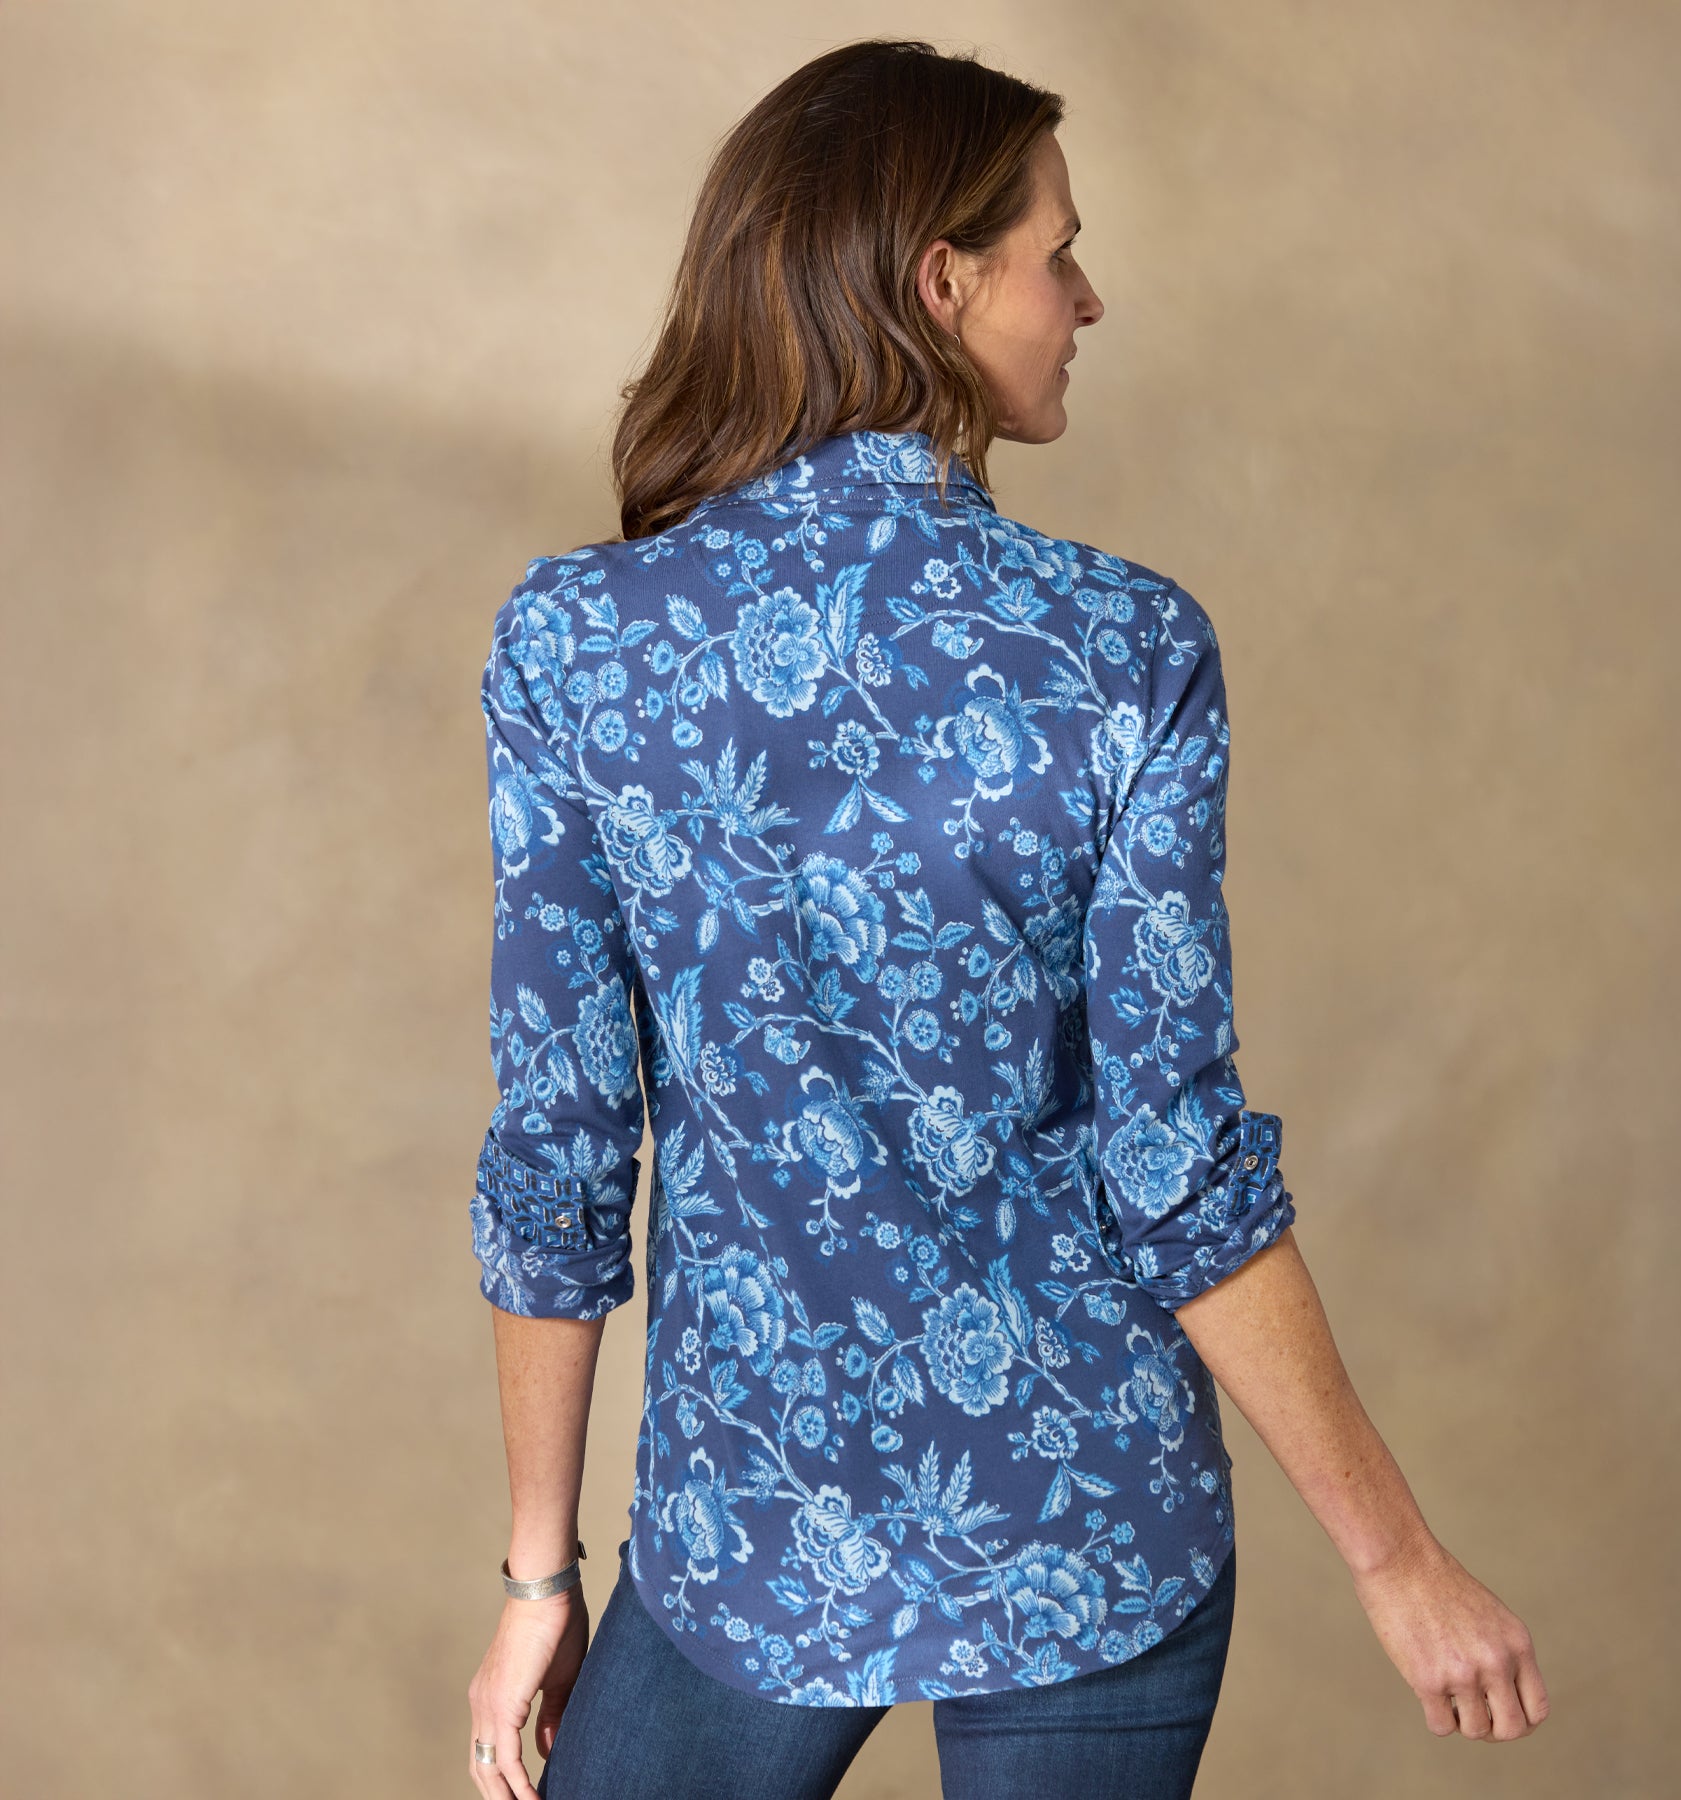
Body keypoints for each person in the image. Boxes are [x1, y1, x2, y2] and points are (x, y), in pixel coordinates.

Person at [463, 38, 1549, 1800]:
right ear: (941, 283)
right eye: (1061, 254)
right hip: (1087, 1522)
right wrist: (1396, 1559)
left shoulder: (579, 644)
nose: (1088, 299)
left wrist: (538, 1572)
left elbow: (560, 1148)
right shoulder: (1124, 652)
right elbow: (1176, 1166)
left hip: (756, 1524)